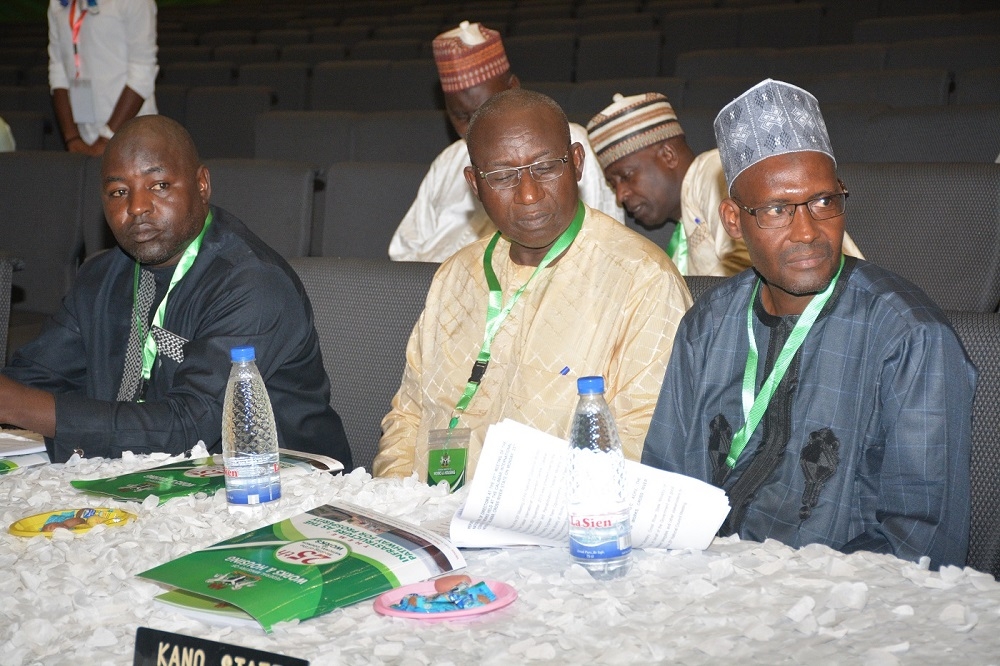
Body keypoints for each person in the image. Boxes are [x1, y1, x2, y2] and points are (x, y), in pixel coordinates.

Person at [641, 80, 975, 569]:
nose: (807, 231)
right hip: (703, 584)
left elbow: (920, 547)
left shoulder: (908, 337)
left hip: (839, 607)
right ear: (734, 221)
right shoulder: (706, 327)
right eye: (777, 209)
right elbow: (664, 493)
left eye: (823, 202)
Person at [0, 115, 352, 469]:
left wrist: (14, 404)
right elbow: (32, 377)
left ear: (201, 185)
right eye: (119, 192)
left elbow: (188, 426)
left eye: (159, 185)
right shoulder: (100, 276)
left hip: (279, 482)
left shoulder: (252, 284)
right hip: (145, 474)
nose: (137, 206)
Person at [375, 89, 691, 481]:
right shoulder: (455, 276)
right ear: (474, 184)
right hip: (426, 514)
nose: (529, 194)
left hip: (553, 527)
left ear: (576, 163)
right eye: (503, 176)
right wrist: (395, 503)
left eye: (545, 168)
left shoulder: (642, 279)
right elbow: (408, 414)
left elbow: (642, 442)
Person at [388, 21, 623, 262]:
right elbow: (405, 251)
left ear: (512, 88)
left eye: (484, 109)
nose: (473, 129)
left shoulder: (565, 144)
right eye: (461, 116)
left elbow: (605, 245)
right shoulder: (448, 161)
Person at [586, 92, 864, 276]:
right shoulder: (688, 210)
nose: (621, 195)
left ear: (668, 155)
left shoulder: (709, 172)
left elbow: (761, 278)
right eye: (612, 184)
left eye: (626, 176)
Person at [47, 0, 159, 156]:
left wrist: (106, 138)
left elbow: (142, 73)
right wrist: (72, 138)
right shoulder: (58, 4)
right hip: (83, 139)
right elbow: (58, 69)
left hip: (134, 136)